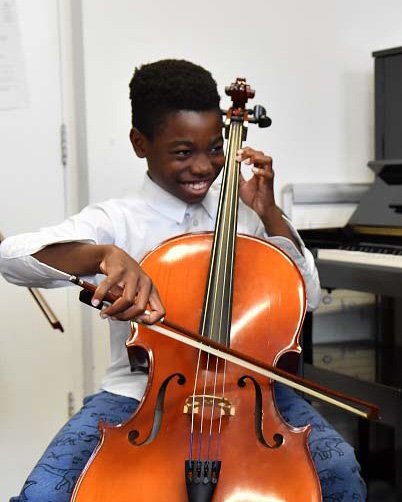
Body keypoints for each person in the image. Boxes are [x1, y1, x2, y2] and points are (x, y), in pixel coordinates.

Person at [0, 59, 366, 502]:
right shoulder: (116, 221)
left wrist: (269, 214)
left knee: (340, 472)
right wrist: (99, 254)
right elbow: (11, 257)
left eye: (215, 149)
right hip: (138, 397)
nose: (203, 167)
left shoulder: (245, 217)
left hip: (251, 395)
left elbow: (303, 297)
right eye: (182, 152)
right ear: (140, 143)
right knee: (41, 496)